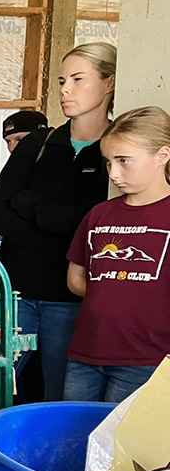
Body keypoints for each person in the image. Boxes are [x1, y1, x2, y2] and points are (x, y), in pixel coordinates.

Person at [0, 43, 116, 471]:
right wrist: (61, 227)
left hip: (72, 296)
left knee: (56, 396)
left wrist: (35, 210)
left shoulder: (116, 150)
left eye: (78, 80)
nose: (66, 91)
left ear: (108, 84)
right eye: (63, 81)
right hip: (14, 289)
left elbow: (96, 228)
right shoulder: (38, 143)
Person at [64, 106, 170, 402]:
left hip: (148, 359)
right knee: (75, 435)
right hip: (86, 352)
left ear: (162, 156)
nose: (113, 173)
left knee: (120, 444)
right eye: (109, 162)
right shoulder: (99, 214)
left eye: (124, 161)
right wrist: (113, 292)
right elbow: (75, 278)